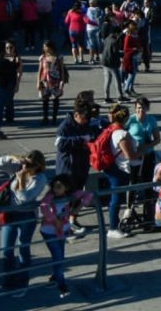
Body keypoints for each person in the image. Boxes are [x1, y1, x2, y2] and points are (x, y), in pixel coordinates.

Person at [0, 150, 47, 295]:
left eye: (30, 165)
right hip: (10, 214)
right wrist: (12, 158)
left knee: (23, 248)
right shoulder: (19, 168)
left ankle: (23, 282)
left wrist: (22, 179)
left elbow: (24, 199)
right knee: (7, 250)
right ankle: (9, 282)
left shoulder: (40, 178)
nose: (26, 167)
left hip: (27, 216)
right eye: (25, 162)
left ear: (38, 166)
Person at [38, 174, 92, 299]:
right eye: (54, 186)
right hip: (49, 231)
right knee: (58, 257)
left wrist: (78, 208)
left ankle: (54, 277)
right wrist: (55, 221)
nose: (55, 189)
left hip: (63, 230)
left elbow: (88, 194)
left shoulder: (70, 194)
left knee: (60, 256)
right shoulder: (50, 196)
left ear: (66, 187)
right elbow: (44, 207)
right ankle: (62, 285)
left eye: (59, 187)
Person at [54, 100, 95, 236]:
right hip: (67, 169)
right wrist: (80, 140)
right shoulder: (65, 126)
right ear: (76, 115)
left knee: (78, 195)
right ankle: (63, 226)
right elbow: (59, 144)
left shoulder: (87, 123)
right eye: (83, 119)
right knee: (65, 199)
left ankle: (73, 220)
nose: (85, 122)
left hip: (81, 166)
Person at [103, 104, 139, 240]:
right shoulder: (122, 134)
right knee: (116, 199)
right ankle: (112, 227)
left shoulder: (112, 129)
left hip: (115, 168)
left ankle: (114, 225)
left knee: (116, 198)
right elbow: (130, 155)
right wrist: (141, 150)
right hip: (120, 169)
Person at [126, 97, 161, 221]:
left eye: (144, 108)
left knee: (148, 183)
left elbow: (157, 139)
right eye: (139, 108)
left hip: (148, 155)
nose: (141, 110)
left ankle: (149, 210)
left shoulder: (151, 120)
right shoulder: (130, 120)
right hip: (134, 157)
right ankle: (129, 209)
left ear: (147, 108)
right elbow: (122, 136)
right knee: (133, 182)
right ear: (135, 108)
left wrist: (147, 145)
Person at [37, 41, 69, 126]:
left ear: (50, 47)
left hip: (56, 81)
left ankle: (54, 118)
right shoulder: (42, 57)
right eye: (43, 47)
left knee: (55, 100)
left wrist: (62, 81)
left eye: (45, 46)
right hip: (45, 81)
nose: (44, 48)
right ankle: (45, 117)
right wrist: (38, 82)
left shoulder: (58, 57)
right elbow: (40, 70)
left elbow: (62, 70)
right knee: (45, 100)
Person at [101, 26, 126, 103]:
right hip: (112, 63)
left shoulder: (107, 39)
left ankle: (106, 97)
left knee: (107, 80)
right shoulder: (114, 42)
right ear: (116, 33)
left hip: (104, 62)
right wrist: (124, 54)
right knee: (117, 80)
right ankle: (120, 96)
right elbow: (116, 53)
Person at [2, 40, 24, 125]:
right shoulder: (2, 57)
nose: (8, 49)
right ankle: (2, 116)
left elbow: (19, 73)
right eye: (7, 47)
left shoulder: (17, 58)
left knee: (9, 100)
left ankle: (9, 117)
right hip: (1, 81)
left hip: (11, 82)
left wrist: (17, 85)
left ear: (14, 48)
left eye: (10, 47)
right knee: (2, 100)